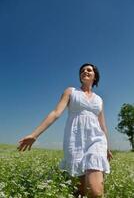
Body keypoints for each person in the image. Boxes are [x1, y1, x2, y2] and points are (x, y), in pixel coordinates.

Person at [17, 63, 113, 198]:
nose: (85, 71)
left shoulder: (99, 100)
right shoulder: (71, 91)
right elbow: (56, 113)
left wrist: (107, 148)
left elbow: (103, 126)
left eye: (89, 70)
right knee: (79, 191)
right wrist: (34, 134)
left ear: (95, 76)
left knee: (95, 192)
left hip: (97, 141)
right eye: (82, 70)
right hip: (75, 141)